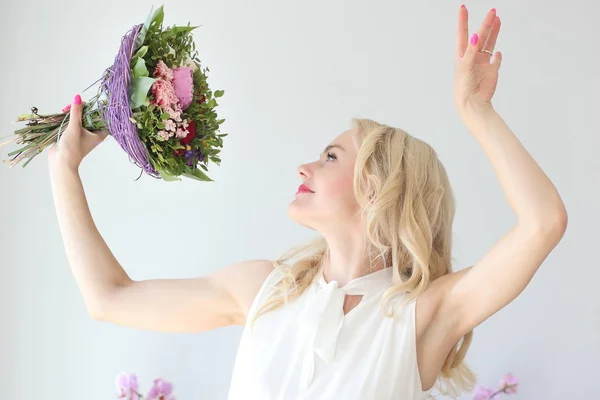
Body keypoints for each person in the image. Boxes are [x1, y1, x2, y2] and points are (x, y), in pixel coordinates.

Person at [47, 6, 567, 400]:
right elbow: (108, 298)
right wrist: (63, 169)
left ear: (378, 188)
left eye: (331, 156)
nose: (305, 167)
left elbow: (543, 222)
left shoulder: (421, 316)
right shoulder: (261, 290)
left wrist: (476, 112)